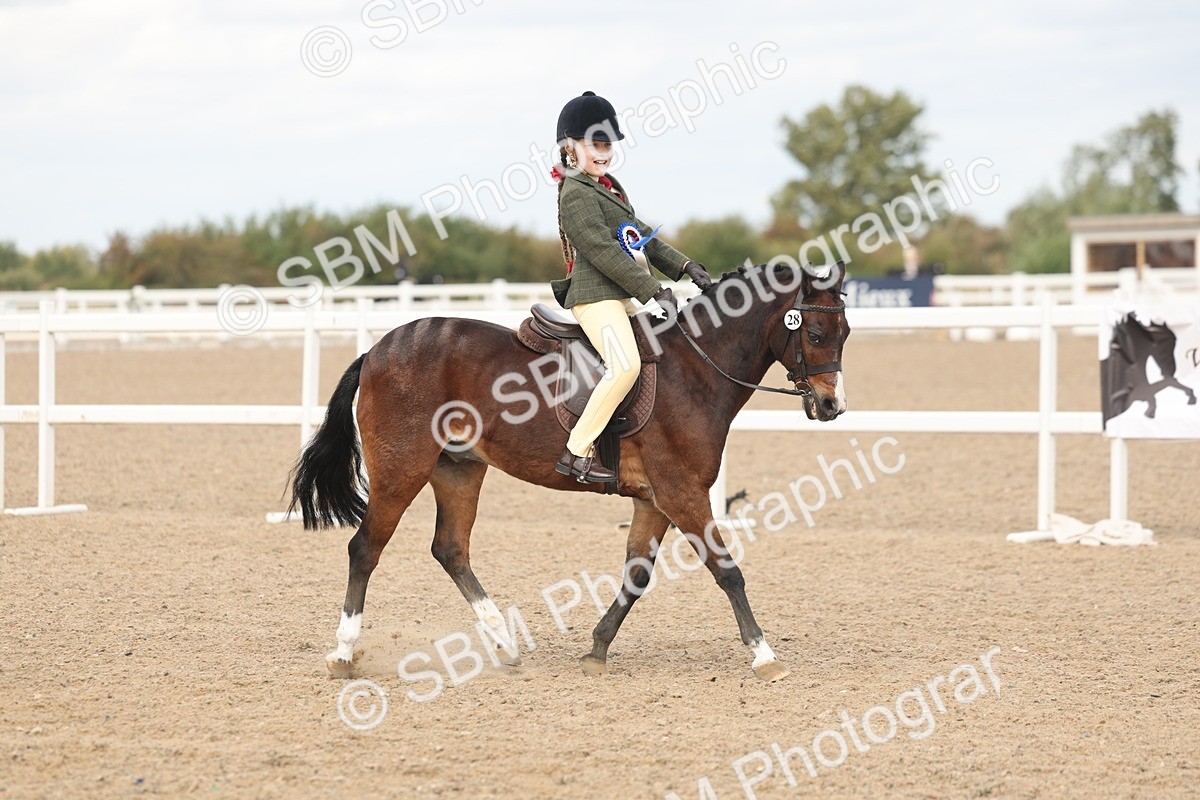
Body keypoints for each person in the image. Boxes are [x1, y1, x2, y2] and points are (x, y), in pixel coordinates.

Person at [549, 90, 714, 483]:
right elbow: (605, 253)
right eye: (595, 145)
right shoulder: (575, 195)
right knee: (625, 365)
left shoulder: (608, 187)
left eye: (608, 145)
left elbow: (640, 237)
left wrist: (687, 266)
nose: (603, 153)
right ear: (570, 148)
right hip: (595, 299)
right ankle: (576, 451)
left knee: (665, 351)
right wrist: (653, 291)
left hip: (619, 297)